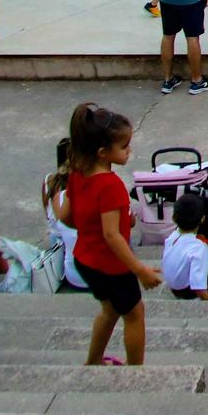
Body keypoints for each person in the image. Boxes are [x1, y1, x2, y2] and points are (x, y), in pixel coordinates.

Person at [59, 103, 159, 365]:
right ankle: (136, 371)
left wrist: (90, 227)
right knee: (135, 314)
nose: (129, 151)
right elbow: (112, 235)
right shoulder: (111, 185)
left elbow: (66, 216)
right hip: (110, 266)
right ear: (103, 152)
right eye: (124, 147)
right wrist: (140, 270)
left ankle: (93, 361)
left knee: (110, 309)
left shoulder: (77, 173)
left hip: (84, 258)